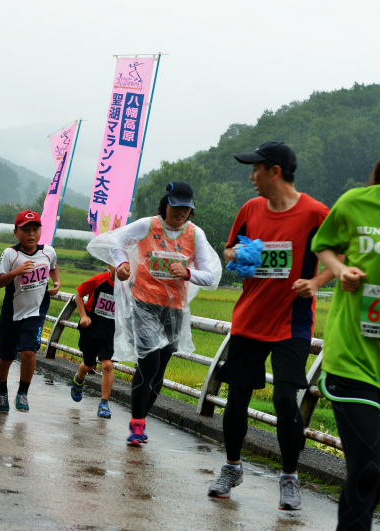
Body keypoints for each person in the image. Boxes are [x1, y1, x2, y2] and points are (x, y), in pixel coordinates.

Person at [207, 142, 333, 511]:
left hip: (292, 322)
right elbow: (228, 248)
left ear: (274, 171)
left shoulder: (315, 213)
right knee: (237, 397)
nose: (251, 177)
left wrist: (316, 282)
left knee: (283, 400)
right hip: (249, 318)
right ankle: (232, 467)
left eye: (255, 169)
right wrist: (238, 256)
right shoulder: (250, 208)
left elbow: (337, 255)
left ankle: (290, 478)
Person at [88, 181, 219, 446]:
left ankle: (141, 422)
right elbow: (115, 240)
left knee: (160, 371)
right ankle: (136, 425)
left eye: (186, 208)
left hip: (173, 310)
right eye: (176, 206)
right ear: (166, 204)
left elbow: (212, 275)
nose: (181, 212)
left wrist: (188, 273)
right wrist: (122, 263)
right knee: (150, 363)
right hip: (144, 303)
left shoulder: (195, 235)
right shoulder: (147, 225)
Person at [312, 160, 380, 531]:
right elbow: (323, 246)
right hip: (353, 357)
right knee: (367, 468)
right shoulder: (356, 202)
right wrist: (341, 271)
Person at [0, 210, 60, 413]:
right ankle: (2, 392)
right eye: (25, 230)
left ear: (40, 231)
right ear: (16, 232)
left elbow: (54, 267)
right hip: (12, 312)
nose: (31, 234)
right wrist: (15, 272)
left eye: (35, 230)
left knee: (29, 352)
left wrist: (57, 282)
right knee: (6, 356)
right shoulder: (10, 254)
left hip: (35, 312)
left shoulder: (48, 252)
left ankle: (23, 393)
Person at [70, 265, 117, 419]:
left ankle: (104, 403)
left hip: (109, 331)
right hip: (90, 328)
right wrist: (83, 316)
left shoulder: (128, 286)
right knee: (89, 365)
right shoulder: (98, 280)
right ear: (110, 265)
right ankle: (79, 378)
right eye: (118, 264)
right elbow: (79, 294)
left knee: (107, 364)